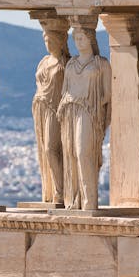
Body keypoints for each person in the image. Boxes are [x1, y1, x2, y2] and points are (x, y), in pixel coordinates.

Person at [57, 26, 111, 210]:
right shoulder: (71, 64)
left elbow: (107, 94)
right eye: (76, 39)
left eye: (82, 38)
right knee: (71, 154)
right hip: (70, 110)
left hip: (89, 111)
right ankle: (75, 200)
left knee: (83, 152)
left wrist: (93, 107)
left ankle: (89, 200)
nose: (78, 42)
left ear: (91, 39)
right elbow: (65, 90)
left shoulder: (101, 64)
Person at [32, 20, 69, 204]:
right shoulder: (44, 62)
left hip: (57, 110)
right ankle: (55, 189)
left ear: (61, 41)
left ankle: (61, 190)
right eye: (46, 40)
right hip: (42, 108)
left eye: (52, 40)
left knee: (51, 148)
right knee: (46, 149)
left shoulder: (66, 64)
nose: (48, 43)